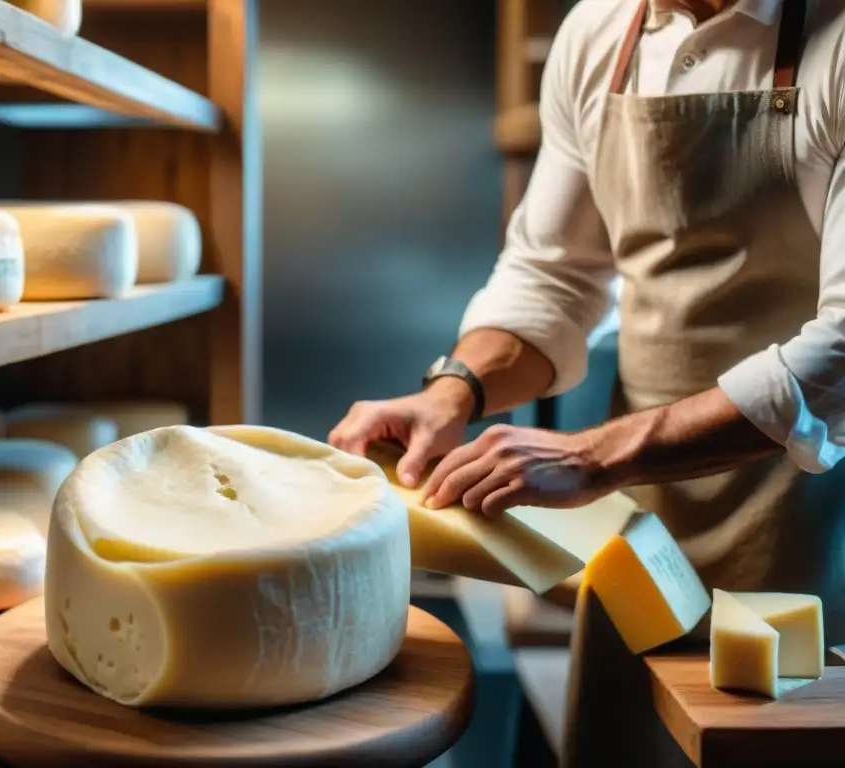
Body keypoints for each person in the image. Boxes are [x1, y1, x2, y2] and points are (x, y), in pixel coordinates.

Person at [329, 1, 845, 765]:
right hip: (634, 532)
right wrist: (455, 389)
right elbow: (554, 276)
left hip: (812, 529)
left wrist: (593, 456)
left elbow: (840, 354)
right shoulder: (599, 31)